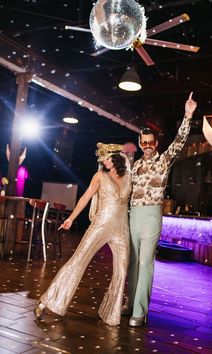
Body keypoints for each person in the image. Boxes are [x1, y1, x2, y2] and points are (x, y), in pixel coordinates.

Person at [34, 142, 132, 326]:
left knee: (122, 270)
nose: (104, 160)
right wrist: (71, 218)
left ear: (117, 158)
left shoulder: (128, 176)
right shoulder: (100, 176)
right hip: (101, 225)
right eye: (102, 157)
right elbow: (85, 197)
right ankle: (47, 301)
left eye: (107, 157)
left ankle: (110, 313)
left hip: (121, 229)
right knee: (78, 261)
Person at [124, 92, 197, 326]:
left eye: (151, 143)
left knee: (145, 262)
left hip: (152, 215)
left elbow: (179, 142)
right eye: (143, 143)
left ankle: (140, 310)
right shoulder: (134, 166)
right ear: (140, 144)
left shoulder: (164, 160)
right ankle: (130, 302)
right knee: (133, 262)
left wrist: (187, 116)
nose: (147, 146)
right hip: (133, 215)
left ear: (156, 143)